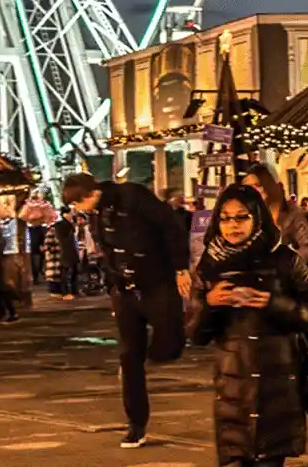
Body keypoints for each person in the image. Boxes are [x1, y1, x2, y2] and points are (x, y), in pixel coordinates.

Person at [190, 182, 308, 467]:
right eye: (225, 218)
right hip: (232, 391)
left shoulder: (285, 260)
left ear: (257, 217)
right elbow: (195, 333)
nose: (232, 225)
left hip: (277, 386)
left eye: (241, 216)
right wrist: (210, 304)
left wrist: (271, 302)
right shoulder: (209, 264)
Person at [63, 172, 192, 449]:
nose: (76, 209)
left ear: (89, 195)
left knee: (169, 340)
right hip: (124, 289)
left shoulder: (132, 196)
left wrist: (181, 268)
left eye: (76, 203)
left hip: (157, 282)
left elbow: (170, 227)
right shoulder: (98, 215)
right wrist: (113, 283)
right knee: (128, 356)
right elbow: (107, 250)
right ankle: (135, 423)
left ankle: (160, 352)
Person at [241, 163, 308, 266]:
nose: (254, 192)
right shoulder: (245, 215)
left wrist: (284, 263)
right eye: (249, 188)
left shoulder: (292, 216)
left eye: (258, 186)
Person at [20, 191, 55, 284]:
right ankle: (36, 274)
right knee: (34, 253)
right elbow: (23, 217)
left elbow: (51, 217)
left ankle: (40, 271)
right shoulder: (28, 206)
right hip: (33, 229)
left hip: (41, 229)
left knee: (43, 251)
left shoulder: (45, 205)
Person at [47, 207, 79, 299]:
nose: (71, 215)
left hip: (72, 250)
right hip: (65, 251)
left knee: (74, 272)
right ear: (64, 214)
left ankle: (74, 291)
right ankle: (66, 292)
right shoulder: (59, 225)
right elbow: (62, 237)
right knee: (66, 273)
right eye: (70, 213)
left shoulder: (70, 224)